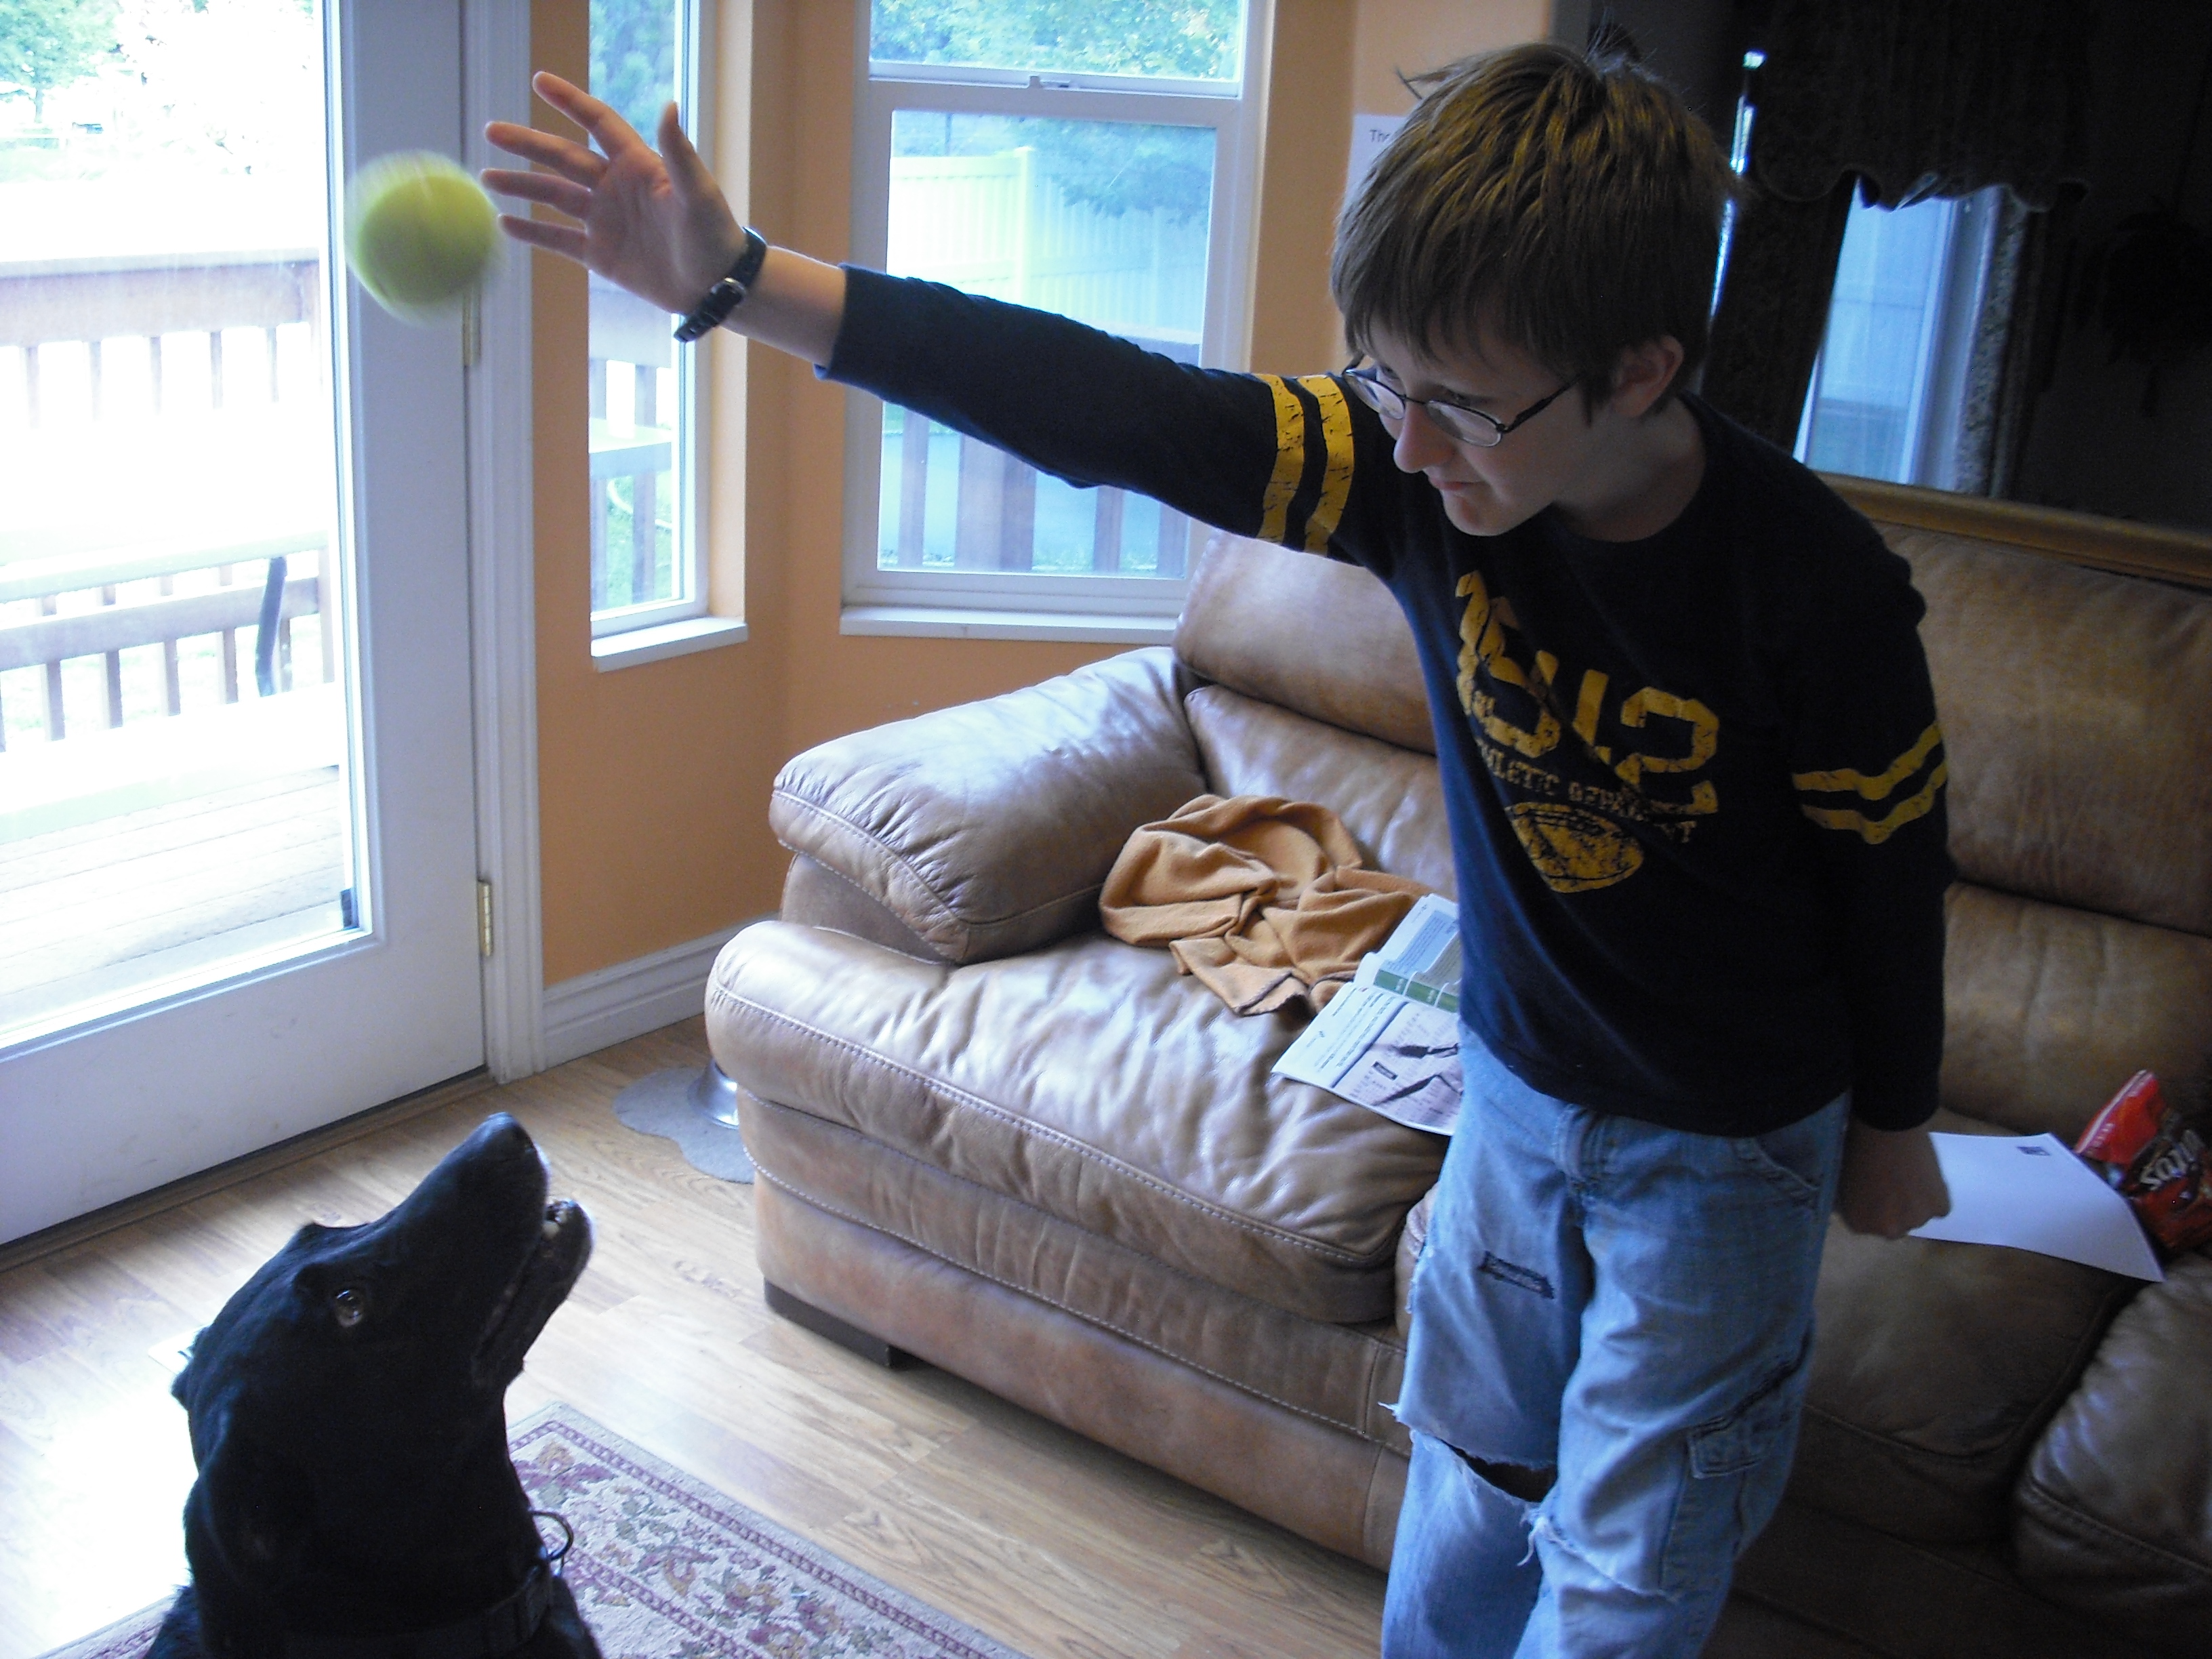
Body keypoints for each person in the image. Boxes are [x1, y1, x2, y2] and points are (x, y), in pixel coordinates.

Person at [485, 38, 1953, 1658]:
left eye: (1463, 406)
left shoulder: (1817, 594)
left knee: (1635, 1559)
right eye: (1387, 385)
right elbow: (1113, 408)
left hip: (1727, 1150)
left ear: (1643, 372)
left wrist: (1896, 1117)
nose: (1412, 447)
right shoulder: (1414, 477)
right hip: (1516, 1097)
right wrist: (744, 282)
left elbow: (1892, 876)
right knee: (1472, 1479)